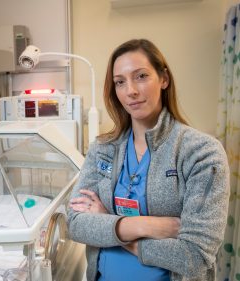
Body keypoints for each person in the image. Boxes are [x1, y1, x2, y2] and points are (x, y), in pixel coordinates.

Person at [67, 39, 230, 281]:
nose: (130, 90)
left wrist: (107, 225)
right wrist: (148, 226)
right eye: (120, 82)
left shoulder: (201, 152)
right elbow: (75, 224)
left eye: (141, 76)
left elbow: (194, 257)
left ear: (164, 79)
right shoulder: (103, 149)